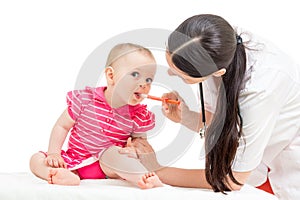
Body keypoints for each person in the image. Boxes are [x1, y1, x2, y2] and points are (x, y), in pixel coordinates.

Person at [120, 14, 300, 199]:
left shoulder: (262, 88)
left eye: (182, 76)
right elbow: (223, 120)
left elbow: (233, 180)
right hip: (255, 168)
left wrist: (159, 170)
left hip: (285, 164)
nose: (170, 75)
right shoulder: (211, 44)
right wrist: (187, 116)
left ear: (218, 72)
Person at [29, 43, 163, 189]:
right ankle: (56, 173)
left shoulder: (138, 115)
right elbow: (62, 126)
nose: (144, 84)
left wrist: (135, 150)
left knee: (114, 153)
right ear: (111, 76)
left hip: (106, 166)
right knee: (36, 159)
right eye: (135, 75)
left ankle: (143, 177)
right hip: (73, 160)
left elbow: (141, 142)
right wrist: (54, 153)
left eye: (149, 79)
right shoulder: (85, 100)